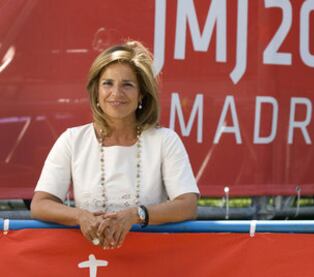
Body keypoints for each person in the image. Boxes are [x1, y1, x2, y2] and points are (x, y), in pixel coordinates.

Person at [31, 40, 200, 250]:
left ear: (141, 95)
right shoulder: (72, 140)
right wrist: (80, 216)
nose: (116, 93)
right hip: (89, 259)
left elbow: (188, 205)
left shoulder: (165, 140)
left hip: (153, 258)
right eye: (108, 83)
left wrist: (136, 215)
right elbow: (40, 204)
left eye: (127, 84)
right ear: (96, 92)